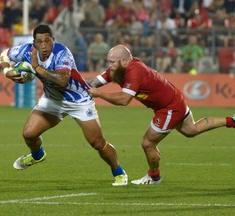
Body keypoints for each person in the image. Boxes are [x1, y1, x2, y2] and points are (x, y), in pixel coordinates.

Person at [0, 25, 127, 186]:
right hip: (53, 100)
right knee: (29, 134)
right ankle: (37, 155)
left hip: (79, 100)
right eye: (39, 42)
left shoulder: (61, 53)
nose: (44, 45)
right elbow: (4, 55)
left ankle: (119, 172)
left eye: (47, 40)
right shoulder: (27, 51)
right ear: (34, 43)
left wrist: (37, 67)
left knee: (97, 143)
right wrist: (7, 71)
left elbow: (62, 80)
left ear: (53, 40)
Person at [87, 44, 235, 185]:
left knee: (148, 143)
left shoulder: (135, 71)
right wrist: (73, 83)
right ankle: (231, 120)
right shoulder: (118, 70)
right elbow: (94, 82)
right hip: (174, 100)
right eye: (109, 61)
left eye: (112, 61)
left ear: (125, 60)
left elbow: (124, 100)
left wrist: (99, 94)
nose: (109, 65)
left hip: (169, 108)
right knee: (191, 130)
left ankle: (154, 177)